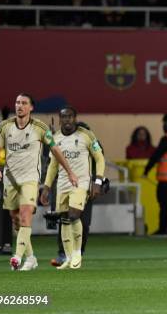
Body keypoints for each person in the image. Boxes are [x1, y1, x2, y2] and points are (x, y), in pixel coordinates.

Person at [0, 93, 78, 271]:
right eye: (17, 102)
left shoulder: (40, 127)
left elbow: (56, 150)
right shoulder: (5, 126)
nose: (19, 106)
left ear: (31, 108)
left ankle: (17, 257)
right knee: (16, 220)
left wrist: (69, 172)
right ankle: (31, 258)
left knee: (25, 214)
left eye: (23, 103)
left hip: (30, 178)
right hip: (10, 179)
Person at [40, 106, 105, 269]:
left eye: (70, 117)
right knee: (64, 219)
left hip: (84, 183)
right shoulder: (56, 138)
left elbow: (100, 159)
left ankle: (78, 253)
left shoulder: (88, 136)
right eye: (64, 117)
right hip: (62, 183)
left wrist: (98, 182)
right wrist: (46, 187)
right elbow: (53, 165)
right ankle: (65, 256)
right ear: (60, 119)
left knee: (78, 217)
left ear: (75, 119)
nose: (67, 120)